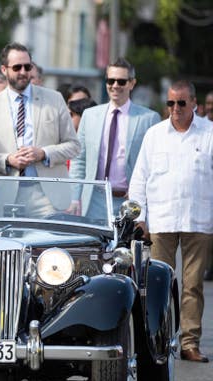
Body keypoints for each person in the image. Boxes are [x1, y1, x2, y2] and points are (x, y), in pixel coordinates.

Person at [128, 80, 213, 363]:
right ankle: (158, 341)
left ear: (194, 104)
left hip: (199, 219)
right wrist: (139, 218)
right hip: (161, 220)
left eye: (181, 103)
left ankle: (190, 343)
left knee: (192, 285)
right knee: (158, 283)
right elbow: (139, 178)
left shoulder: (209, 133)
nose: (175, 109)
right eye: (170, 103)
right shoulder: (154, 135)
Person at [0, 42, 80, 216]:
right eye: (17, 67)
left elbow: (73, 146)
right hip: (5, 196)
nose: (23, 72)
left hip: (47, 195)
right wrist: (8, 159)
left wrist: (44, 154)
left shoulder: (54, 99)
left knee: (48, 243)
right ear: (4, 69)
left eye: (27, 66)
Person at [68, 58, 160, 217]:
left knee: (127, 243)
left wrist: (141, 194)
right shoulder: (90, 116)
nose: (115, 85)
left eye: (121, 81)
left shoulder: (149, 119)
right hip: (93, 200)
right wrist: (74, 199)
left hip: (131, 202)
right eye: (111, 80)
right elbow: (79, 160)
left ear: (132, 83)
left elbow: (155, 165)